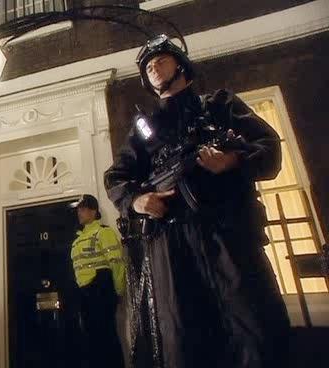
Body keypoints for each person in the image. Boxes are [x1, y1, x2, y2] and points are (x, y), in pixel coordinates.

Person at [104, 34, 290, 368]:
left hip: (229, 237)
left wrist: (232, 161)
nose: (154, 67)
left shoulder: (220, 106)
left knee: (255, 331)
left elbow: (269, 147)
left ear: (180, 64)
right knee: (185, 343)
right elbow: (116, 178)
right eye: (148, 66)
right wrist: (137, 200)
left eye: (161, 60)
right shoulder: (145, 130)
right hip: (172, 250)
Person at [70, 194, 126, 367]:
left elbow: (117, 263)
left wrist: (118, 290)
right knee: (90, 339)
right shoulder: (77, 240)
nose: (80, 212)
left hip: (101, 288)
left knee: (106, 337)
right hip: (84, 292)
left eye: (84, 209)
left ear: (94, 211)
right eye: (79, 209)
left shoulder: (104, 232)